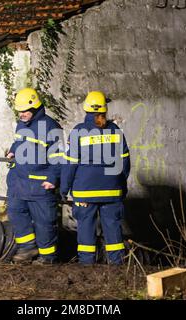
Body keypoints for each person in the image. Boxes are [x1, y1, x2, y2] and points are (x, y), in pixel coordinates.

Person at [60, 91, 130, 265]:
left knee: (85, 229)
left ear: (86, 110)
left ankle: (87, 267)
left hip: (85, 192)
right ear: (105, 109)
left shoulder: (78, 132)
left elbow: (70, 165)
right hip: (112, 190)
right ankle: (117, 267)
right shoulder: (115, 131)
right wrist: (121, 185)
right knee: (113, 229)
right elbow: (125, 162)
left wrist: (64, 189)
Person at [6, 88, 63, 265]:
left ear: (36, 107)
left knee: (44, 222)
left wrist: (53, 178)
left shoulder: (51, 127)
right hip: (19, 183)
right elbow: (19, 141)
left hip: (40, 184)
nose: (21, 114)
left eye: (24, 111)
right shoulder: (22, 124)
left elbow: (59, 158)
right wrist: (13, 150)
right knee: (16, 213)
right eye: (19, 111)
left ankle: (47, 258)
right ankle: (28, 247)